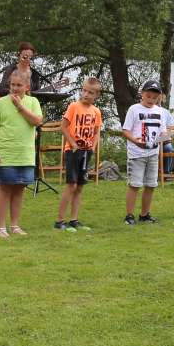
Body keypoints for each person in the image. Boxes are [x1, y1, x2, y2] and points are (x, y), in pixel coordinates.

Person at [0, 68, 43, 237]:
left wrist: (20, 107)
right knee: (4, 189)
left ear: (27, 86)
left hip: (25, 154)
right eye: (12, 85)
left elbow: (37, 121)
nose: (15, 88)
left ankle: (15, 225)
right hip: (5, 154)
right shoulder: (1, 103)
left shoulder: (33, 102)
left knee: (19, 189)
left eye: (19, 85)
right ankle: (1, 227)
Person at [55, 77, 103, 232]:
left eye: (91, 92)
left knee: (80, 186)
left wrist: (93, 148)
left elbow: (96, 132)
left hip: (86, 151)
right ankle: (59, 220)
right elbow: (63, 127)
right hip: (73, 150)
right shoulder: (73, 106)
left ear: (97, 95)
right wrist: (73, 143)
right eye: (84, 91)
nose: (86, 94)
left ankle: (74, 219)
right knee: (71, 184)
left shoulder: (96, 112)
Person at [121, 80, 170, 225]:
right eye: (148, 96)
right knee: (135, 185)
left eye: (154, 98)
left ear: (159, 98)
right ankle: (129, 215)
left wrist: (166, 137)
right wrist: (135, 141)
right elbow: (125, 130)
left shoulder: (160, 111)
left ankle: (144, 214)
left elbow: (163, 131)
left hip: (153, 153)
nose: (151, 100)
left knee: (151, 185)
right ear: (142, 94)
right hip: (137, 154)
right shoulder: (134, 109)